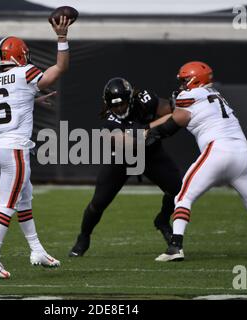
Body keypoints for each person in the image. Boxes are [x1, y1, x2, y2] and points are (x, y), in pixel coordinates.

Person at [144, 61, 247, 262]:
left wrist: (150, 134)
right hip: (242, 153)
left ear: (194, 79)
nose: (181, 85)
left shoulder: (190, 96)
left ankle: (175, 247)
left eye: (184, 81)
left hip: (218, 151)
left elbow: (174, 124)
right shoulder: (215, 95)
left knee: (183, 197)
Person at [0, 16, 72, 278]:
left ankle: (37, 249)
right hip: (14, 150)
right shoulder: (25, 73)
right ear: (20, 56)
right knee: (6, 205)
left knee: (24, 199)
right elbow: (60, 68)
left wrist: (32, 100)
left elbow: (3, 101)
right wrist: (62, 38)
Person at [68, 77, 182, 257]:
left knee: (177, 189)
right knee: (98, 203)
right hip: (122, 158)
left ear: (131, 98)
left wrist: (153, 127)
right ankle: (84, 236)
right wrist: (153, 128)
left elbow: (175, 114)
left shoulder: (146, 100)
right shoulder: (108, 121)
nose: (119, 108)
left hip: (150, 154)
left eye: (122, 103)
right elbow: (132, 142)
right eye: (115, 106)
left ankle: (162, 220)